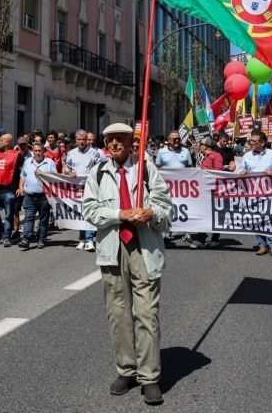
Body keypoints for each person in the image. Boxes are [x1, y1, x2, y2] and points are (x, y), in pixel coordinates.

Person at [81, 123, 172, 405]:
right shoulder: (97, 172)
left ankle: (149, 377)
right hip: (112, 248)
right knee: (118, 313)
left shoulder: (146, 170)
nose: (115, 144)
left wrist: (151, 212)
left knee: (146, 313)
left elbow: (166, 207)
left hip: (143, 248)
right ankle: (126, 369)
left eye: (120, 139)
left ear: (132, 142)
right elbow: (89, 210)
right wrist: (120, 213)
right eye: (110, 140)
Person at [237, 129, 272, 255]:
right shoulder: (247, 155)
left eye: (254, 141)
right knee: (257, 218)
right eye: (250, 140)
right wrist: (241, 171)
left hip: (270, 192)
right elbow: (241, 168)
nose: (251, 143)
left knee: (270, 218)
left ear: (262, 142)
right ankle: (261, 244)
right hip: (253, 192)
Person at [65, 129, 106, 251]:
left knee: (89, 212)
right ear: (76, 140)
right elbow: (66, 169)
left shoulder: (95, 153)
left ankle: (89, 239)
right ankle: (81, 238)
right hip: (76, 188)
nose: (81, 142)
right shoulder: (71, 153)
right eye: (79, 139)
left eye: (83, 139)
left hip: (91, 187)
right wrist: (70, 172)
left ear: (86, 140)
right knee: (79, 214)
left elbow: (101, 168)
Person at [18, 142, 57, 249]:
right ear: (33, 151)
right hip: (29, 196)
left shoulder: (50, 163)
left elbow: (55, 179)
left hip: (44, 196)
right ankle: (25, 238)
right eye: (35, 151)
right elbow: (23, 176)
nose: (38, 153)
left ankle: (41, 239)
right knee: (28, 218)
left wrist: (44, 175)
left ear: (43, 151)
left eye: (40, 151)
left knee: (43, 219)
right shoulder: (27, 162)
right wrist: (21, 187)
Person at [190, 137, 224, 249]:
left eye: (201, 145)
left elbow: (218, 171)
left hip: (214, 190)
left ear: (206, 146)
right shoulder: (205, 157)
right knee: (203, 214)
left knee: (214, 214)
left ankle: (214, 239)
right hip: (204, 191)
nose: (200, 147)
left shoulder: (216, 156)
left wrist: (206, 170)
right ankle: (201, 239)